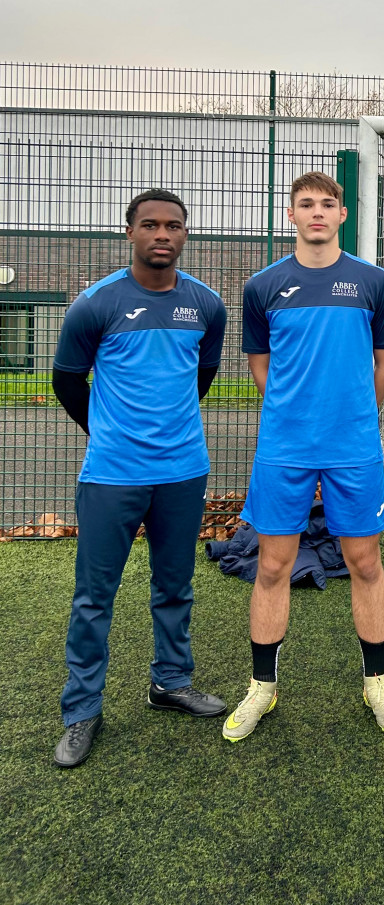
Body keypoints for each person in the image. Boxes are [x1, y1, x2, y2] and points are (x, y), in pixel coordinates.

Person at [223, 172, 384, 743]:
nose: (318, 212)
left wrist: (353, 412)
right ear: (292, 215)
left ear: (343, 214)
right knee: (272, 565)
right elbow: (260, 366)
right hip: (285, 447)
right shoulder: (263, 286)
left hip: (353, 446)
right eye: (307, 204)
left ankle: (377, 682)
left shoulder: (372, 282)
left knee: (365, 562)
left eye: (328, 203)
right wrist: (294, 413)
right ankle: (262, 688)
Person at [51, 189, 228, 768]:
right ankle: (82, 710)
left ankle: (170, 682)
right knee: (93, 597)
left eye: (173, 226)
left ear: (185, 234)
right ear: (129, 232)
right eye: (149, 225)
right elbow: (67, 381)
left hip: (183, 472)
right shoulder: (95, 304)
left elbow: (202, 377)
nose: (162, 234)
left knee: (175, 587)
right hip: (112, 475)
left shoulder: (206, 305)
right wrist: (106, 432)